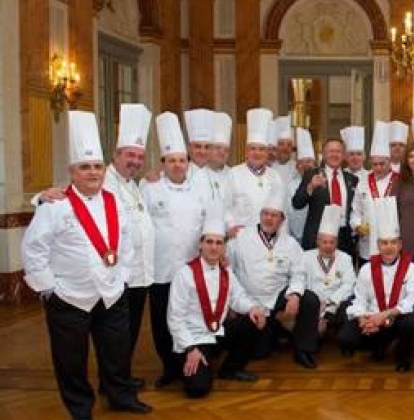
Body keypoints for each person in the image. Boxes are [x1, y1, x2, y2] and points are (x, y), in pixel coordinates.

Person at [21, 110, 152, 420]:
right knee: (71, 359)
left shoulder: (114, 201)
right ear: (72, 171)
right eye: (85, 167)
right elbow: (33, 249)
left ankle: (121, 395)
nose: (93, 172)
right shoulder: (55, 205)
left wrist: (121, 279)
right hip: (69, 297)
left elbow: (126, 243)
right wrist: (49, 289)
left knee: (117, 353)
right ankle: (80, 408)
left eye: (96, 166)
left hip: (110, 294)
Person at [143, 112, 214, 388]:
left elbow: (208, 224)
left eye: (182, 160)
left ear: (187, 163)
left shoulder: (199, 189)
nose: (177, 165)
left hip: (191, 269)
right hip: (160, 269)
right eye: (171, 160)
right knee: (161, 322)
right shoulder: (149, 187)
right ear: (163, 163)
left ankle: (190, 361)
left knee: (189, 316)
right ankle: (169, 368)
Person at [167, 217, 267, 398]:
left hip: (217, 332)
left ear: (224, 247)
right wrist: (190, 348)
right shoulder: (184, 274)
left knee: (251, 320)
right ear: (201, 244)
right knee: (197, 390)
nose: (214, 247)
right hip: (194, 338)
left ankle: (230, 369)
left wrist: (253, 307)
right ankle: (195, 363)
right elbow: (175, 318)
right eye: (209, 242)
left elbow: (238, 297)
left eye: (219, 243)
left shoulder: (226, 271)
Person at [228, 191, 318, 368]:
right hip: (250, 301)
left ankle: (302, 349)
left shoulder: (290, 243)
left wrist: (294, 294)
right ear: (260, 215)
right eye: (265, 214)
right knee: (259, 353)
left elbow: (299, 273)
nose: (269, 219)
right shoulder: (240, 238)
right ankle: (276, 330)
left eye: (274, 215)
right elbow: (227, 272)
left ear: (282, 220)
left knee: (310, 299)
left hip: (277, 296)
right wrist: (233, 304)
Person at [339, 197, 414, 372]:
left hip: (396, 320)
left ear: (400, 244)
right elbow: (359, 299)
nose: (389, 247)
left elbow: (411, 301)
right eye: (384, 243)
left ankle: (403, 355)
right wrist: (364, 319)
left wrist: (386, 314)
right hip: (372, 319)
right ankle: (377, 346)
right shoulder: (367, 268)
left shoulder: (411, 267)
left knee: (413, 322)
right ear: (378, 245)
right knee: (346, 337)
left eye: (393, 242)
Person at [303, 205, 358, 349]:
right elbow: (302, 283)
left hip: (336, 303)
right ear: (318, 241)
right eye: (324, 242)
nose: (328, 246)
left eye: (332, 242)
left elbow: (349, 284)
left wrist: (329, 302)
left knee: (350, 307)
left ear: (337, 242)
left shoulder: (345, 258)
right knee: (313, 345)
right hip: (313, 305)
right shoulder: (305, 257)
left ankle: (345, 342)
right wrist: (317, 305)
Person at [292, 137, 359, 253]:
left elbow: (356, 209)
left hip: (344, 240)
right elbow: (297, 203)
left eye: (338, 151)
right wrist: (311, 187)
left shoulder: (352, 179)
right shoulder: (311, 174)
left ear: (343, 155)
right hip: (317, 238)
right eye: (331, 151)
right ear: (324, 154)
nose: (334, 154)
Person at [226, 108, 286, 238]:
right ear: (246, 152)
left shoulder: (275, 176)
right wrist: (230, 226)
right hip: (241, 238)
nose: (257, 153)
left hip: (269, 238)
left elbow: (282, 211)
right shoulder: (233, 174)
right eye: (253, 148)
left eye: (261, 149)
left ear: (267, 153)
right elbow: (225, 206)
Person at [351, 121, 397, 263]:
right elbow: (356, 211)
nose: (378, 168)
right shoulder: (363, 181)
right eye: (374, 164)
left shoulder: (399, 181)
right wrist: (357, 226)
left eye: (382, 164)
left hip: (392, 244)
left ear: (389, 161)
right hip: (368, 245)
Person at [285, 127, 316, 242]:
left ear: (314, 163)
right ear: (297, 167)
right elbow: (289, 213)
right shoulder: (291, 186)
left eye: (308, 161)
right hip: (296, 238)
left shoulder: (323, 182)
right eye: (301, 163)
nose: (305, 165)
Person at [272, 116, 298, 184]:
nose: (285, 148)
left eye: (289, 145)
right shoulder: (269, 167)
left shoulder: (297, 168)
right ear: (276, 147)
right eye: (281, 144)